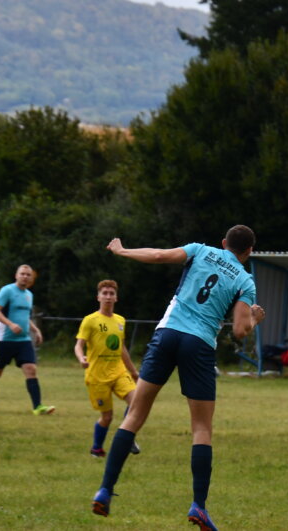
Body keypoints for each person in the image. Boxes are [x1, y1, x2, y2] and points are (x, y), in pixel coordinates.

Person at [91, 225, 265, 531]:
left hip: (168, 333)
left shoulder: (200, 249)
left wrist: (122, 250)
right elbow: (240, 331)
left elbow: (158, 255)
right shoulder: (245, 280)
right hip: (198, 344)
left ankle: (105, 489)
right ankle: (198, 505)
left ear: (223, 242)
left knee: (134, 416)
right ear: (249, 252)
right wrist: (254, 318)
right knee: (201, 428)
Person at [74, 279, 142, 458]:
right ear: (98, 297)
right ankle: (97, 448)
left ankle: (126, 437)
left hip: (118, 371)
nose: (108, 297)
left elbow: (121, 348)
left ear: (116, 298)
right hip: (97, 376)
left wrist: (133, 371)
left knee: (137, 402)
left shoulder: (120, 321)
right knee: (107, 417)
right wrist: (81, 358)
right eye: (105, 293)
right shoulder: (90, 320)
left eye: (111, 294)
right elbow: (79, 345)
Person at [0, 264, 55, 415]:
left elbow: (25, 317)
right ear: (16, 275)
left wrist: (35, 330)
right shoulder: (7, 291)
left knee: (31, 369)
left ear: (31, 278)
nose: (25, 277)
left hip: (23, 340)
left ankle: (38, 407)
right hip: (4, 340)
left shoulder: (28, 295)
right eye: (22, 274)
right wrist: (10, 324)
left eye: (28, 275)